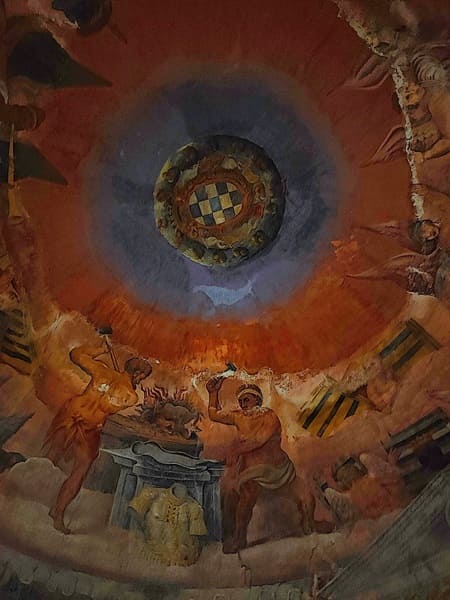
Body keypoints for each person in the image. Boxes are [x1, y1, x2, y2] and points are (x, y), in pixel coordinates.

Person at [43, 342, 151, 534]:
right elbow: (110, 405)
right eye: (143, 377)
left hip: (74, 413)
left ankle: (54, 507)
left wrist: (98, 351)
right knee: (77, 469)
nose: (142, 380)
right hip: (86, 424)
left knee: (62, 455)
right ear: (139, 375)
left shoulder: (103, 371)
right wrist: (103, 351)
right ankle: (56, 511)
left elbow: (76, 354)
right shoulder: (131, 396)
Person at [206, 376, 313, 553]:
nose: (243, 404)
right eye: (241, 401)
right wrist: (213, 393)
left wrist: (235, 450)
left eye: (246, 399)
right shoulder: (238, 416)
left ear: (257, 399)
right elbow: (214, 414)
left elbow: (258, 440)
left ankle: (308, 525)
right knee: (239, 493)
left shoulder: (268, 416)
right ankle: (236, 536)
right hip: (251, 469)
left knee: (304, 494)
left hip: (274, 468)